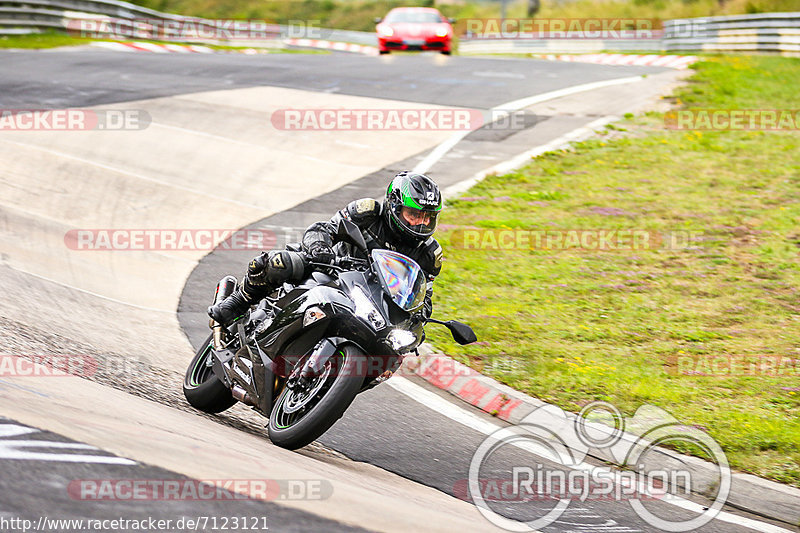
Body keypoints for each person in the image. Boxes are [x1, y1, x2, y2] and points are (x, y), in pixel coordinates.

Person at [208, 171, 444, 325]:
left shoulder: (429, 254)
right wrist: (320, 247)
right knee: (279, 263)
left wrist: (421, 314)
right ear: (394, 205)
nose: (420, 223)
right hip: (329, 269)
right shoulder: (368, 212)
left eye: (427, 217)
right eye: (413, 214)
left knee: (394, 350)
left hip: (373, 302)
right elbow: (324, 228)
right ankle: (239, 301)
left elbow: (424, 296)